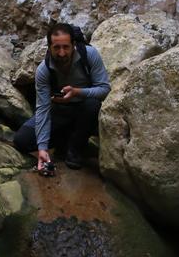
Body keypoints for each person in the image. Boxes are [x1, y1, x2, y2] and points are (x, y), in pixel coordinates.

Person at [13, 22, 111, 170]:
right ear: (49, 47)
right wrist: (42, 148)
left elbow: (104, 89)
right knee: (21, 141)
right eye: (56, 47)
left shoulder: (89, 55)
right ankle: (65, 139)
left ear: (73, 45)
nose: (62, 53)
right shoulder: (44, 70)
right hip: (59, 111)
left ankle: (74, 148)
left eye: (66, 47)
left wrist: (78, 92)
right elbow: (43, 109)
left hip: (86, 110)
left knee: (92, 105)